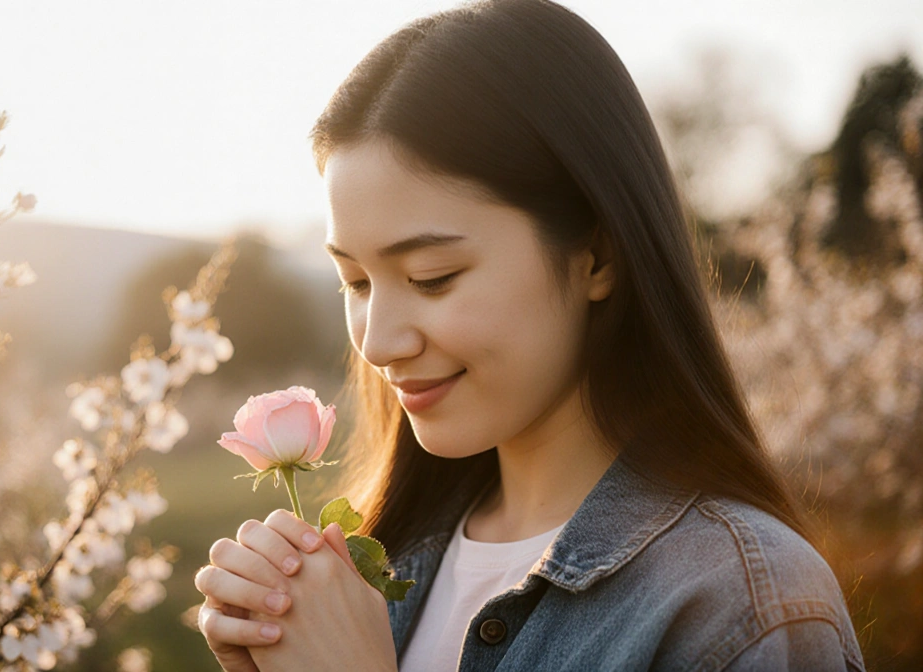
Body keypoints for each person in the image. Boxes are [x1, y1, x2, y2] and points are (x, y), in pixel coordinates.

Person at [193, 0, 866, 670]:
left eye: (433, 276)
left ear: (597, 257)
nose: (378, 344)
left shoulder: (741, 607)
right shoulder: (375, 569)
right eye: (357, 283)